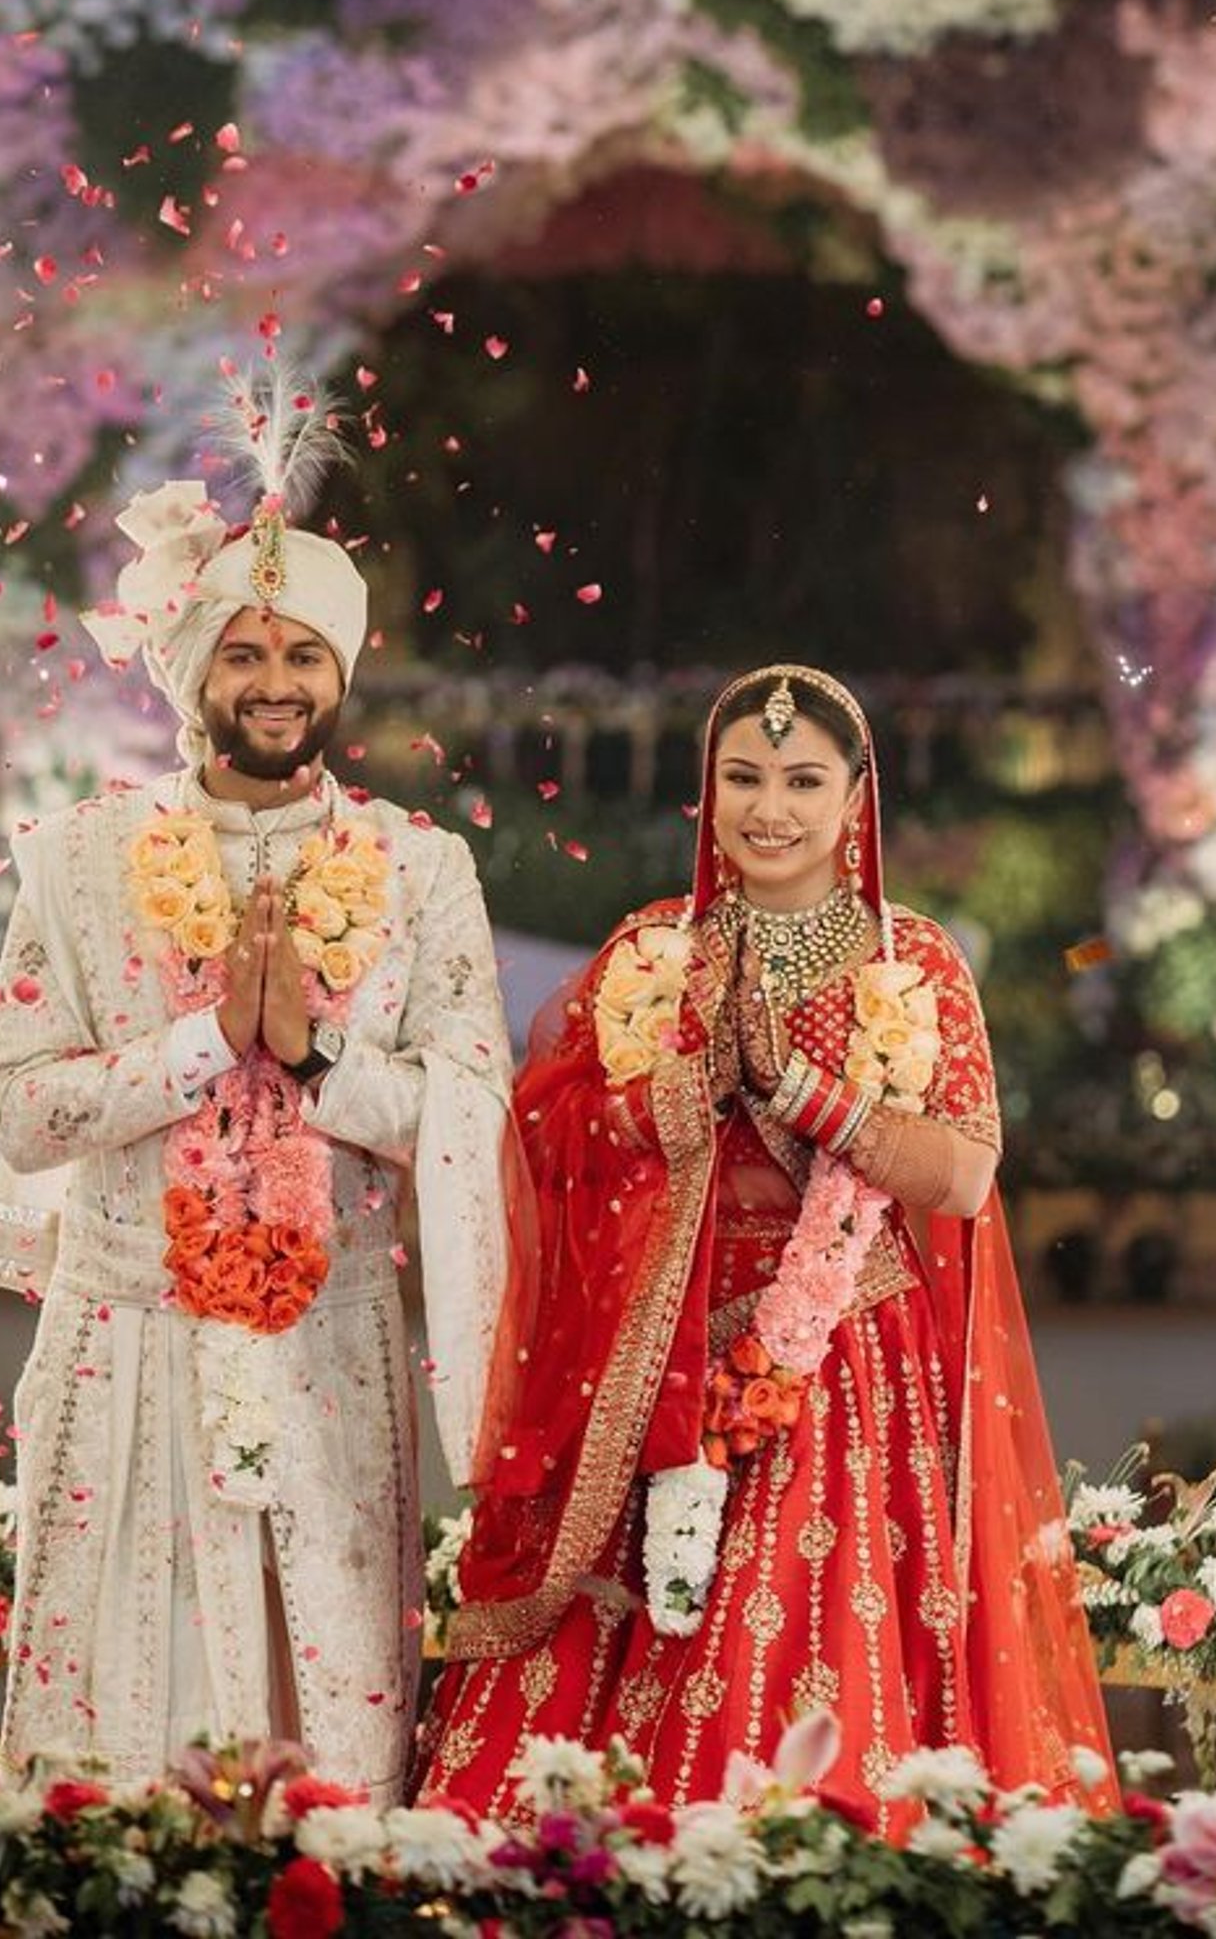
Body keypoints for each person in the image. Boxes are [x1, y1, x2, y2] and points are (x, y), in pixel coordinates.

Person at [418, 664, 1114, 1822]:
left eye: (802, 779)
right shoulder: (651, 950)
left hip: (844, 1360)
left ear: (857, 801)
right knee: (640, 1642)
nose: (770, 806)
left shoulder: (916, 960)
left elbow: (967, 1166)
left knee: (801, 1627)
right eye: (743, 777)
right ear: (710, 792)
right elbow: (551, 1130)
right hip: (657, 1353)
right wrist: (685, 1096)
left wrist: (801, 1091)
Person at [0, 379, 512, 1795]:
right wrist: (207, 1043)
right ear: (190, 666)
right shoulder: (80, 862)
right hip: (125, 1331)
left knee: (324, 1731)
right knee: (120, 1735)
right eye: (245, 652)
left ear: (346, 672)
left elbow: (472, 1126)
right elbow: (23, 1112)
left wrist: (314, 1059)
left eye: (306, 654)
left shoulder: (420, 870)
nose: (276, 681)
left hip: (327, 1347)